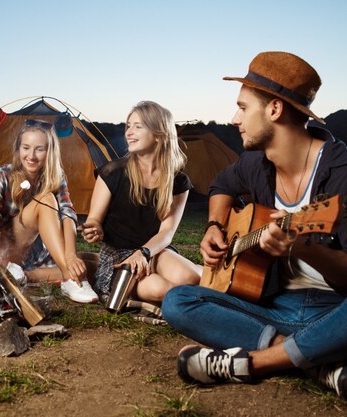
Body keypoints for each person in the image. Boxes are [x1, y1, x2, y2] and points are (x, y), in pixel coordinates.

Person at [162, 51, 347, 399]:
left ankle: (255, 363)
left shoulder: (342, 174)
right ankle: (314, 360)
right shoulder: (255, 162)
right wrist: (215, 225)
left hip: (335, 311)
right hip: (274, 307)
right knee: (177, 301)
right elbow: (221, 185)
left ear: (274, 109)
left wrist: (305, 246)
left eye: (243, 107)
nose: (234, 118)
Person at [81, 101, 201, 304]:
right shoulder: (112, 172)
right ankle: (202, 296)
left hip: (154, 251)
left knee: (189, 278)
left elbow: (166, 233)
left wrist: (144, 253)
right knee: (162, 289)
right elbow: (93, 219)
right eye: (128, 125)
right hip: (120, 259)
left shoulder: (178, 181)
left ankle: (206, 277)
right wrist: (93, 229)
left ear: (158, 134)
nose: (129, 132)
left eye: (138, 126)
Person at [0, 118, 99, 303]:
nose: (31, 156)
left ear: (50, 152)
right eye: (26, 148)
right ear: (18, 148)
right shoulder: (2, 174)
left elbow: (68, 213)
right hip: (8, 250)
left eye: (39, 149)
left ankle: (23, 276)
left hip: (37, 251)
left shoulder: (56, 177)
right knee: (45, 199)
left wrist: (72, 255)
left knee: (96, 261)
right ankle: (71, 278)